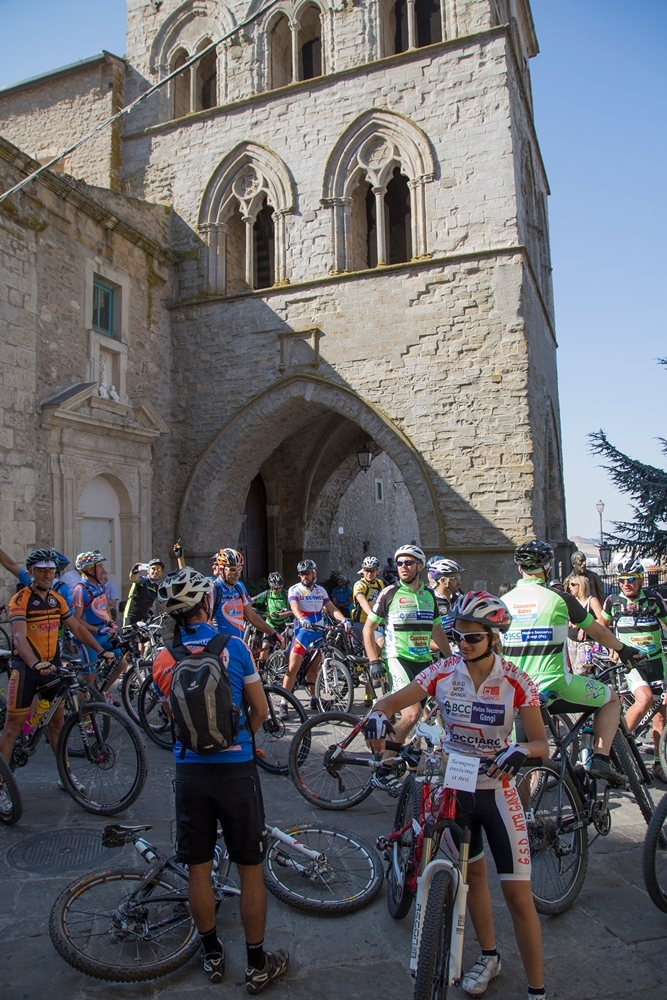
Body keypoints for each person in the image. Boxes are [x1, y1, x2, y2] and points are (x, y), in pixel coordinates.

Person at [365, 592, 550, 1000]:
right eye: (457, 636)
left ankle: (537, 991)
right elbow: (391, 701)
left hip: (497, 789)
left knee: (518, 895)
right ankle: (489, 956)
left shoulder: (516, 680)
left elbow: (542, 744)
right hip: (457, 782)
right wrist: (378, 715)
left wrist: (522, 749)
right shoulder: (444, 670)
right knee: (474, 876)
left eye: (473, 639)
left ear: (494, 638)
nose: (463, 645)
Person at [151, 567, 288, 992]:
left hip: (190, 770)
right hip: (237, 770)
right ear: (207, 603)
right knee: (249, 867)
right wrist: (239, 736)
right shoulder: (234, 648)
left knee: (198, 866)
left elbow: (174, 716)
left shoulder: (163, 659)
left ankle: (211, 953)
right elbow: (261, 711)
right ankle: (257, 962)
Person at [502, 540, 641, 787]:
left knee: (521, 761)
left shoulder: (504, 601)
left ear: (519, 568)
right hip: (555, 686)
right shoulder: (560, 598)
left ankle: (523, 822)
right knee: (611, 700)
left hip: (518, 692)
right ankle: (599, 758)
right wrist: (623, 649)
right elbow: (598, 632)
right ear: (548, 568)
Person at [1, 549, 116, 790]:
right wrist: (34, 663)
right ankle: (1, 783)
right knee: (12, 728)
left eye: (50, 570)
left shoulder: (56, 599)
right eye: (41, 571)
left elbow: (77, 628)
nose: (46, 575)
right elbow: (19, 639)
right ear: (31, 572)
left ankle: (66, 774)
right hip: (27, 668)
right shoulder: (20, 599)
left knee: (58, 724)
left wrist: (100, 649)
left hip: (52, 668)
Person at [363, 544, 451, 793]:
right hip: (397, 658)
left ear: (420, 567)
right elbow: (369, 629)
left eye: (409, 563)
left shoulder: (429, 595)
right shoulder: (389, 593)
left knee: (417, 717)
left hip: (423, 661)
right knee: (411, 715)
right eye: (400, 563)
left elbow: (437, 629)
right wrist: (374, 661)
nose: (403, 567)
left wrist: (452, 657)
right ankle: (382, 770)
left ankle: (395, 760)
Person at [600, 558, 667, 783]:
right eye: (621, 580)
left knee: (661, 715)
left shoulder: (654, 599)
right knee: (645, 698)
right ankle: (614, 749)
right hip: (631, 663)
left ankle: (659, 763)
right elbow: (602, 625)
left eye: (630, 579)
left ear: (640, 580)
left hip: (656, 660)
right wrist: (612, 647)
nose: (626, 584)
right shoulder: (613, 601)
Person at [281, 559, 351, 715]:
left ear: (314, 573)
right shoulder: (295, 589)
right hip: (302, 633)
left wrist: (344, 620)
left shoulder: (321, 590)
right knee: (293, 668)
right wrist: (301, 618)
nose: (304, 576)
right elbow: (294, 606)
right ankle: (284, 702)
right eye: (302, 574)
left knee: (314, 668)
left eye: (307, 573)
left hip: (318, 633)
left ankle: (313, 697)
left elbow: (331, 608)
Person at [72, 551, 127, 690]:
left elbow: (105, 608)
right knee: (88, 679)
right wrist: (97, 629)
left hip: (102, 633)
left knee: (121, 663)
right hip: (88, 637)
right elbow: (76, 620)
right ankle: (86, 710)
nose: (104, 569)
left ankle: (102, 693)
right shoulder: (80, 590)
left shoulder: (99, 585)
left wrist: (110, 622)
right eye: (100, 566)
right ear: (90, 570)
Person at [210, 549, 284, 648]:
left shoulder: (239, 587)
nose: (237, 574)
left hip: (239, 645)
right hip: (222, 648)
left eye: (239, 569)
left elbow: (251, 616)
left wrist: (273, 633)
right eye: (232, 570)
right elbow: (206, 622)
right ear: (220, 569)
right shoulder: (214, 589)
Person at [251, 573, 292, 665]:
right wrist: (245, 605)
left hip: (284, 625)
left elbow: (293, 611)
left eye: (279, 588)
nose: (277, 590)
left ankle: (281, 668)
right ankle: (261, 668)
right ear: (270, 586)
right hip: (270, 625)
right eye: (274, 588)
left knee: (283, 646)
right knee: (265, 645)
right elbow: (252, 600)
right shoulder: (267, 594)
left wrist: (281, 615)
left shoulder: (286, 595)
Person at [565, 575, 602, 676]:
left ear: (581, 586)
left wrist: (584, 627)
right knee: (573, 671)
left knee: (580, 671)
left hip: (586, 642)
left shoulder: (592, 601)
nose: (570, 587)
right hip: (571, 640)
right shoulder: (572, 601)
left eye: (573, 585)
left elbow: (602, 619)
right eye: (569, 585)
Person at [123, 558, 165, 626]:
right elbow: (134, 578)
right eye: (153, 568)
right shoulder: (142, 580)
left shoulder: (156, 587)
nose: (156, 571)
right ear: (148, 570)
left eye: (159, 569)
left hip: (143, 619)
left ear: (161, 573)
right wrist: (134, 572)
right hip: (131, 617)